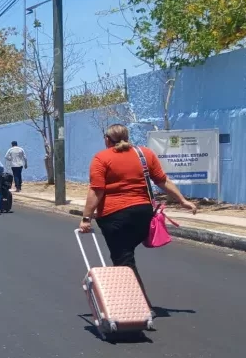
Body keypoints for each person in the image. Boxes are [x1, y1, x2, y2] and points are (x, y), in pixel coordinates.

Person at [78, 124, 197, 312]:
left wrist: (86, 218)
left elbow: (96, 190)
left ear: (107, 139)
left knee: (123, 259)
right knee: (126, 256)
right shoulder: (144, 154)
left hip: (114, 216)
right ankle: (135, 300)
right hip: (143, 214)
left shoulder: (101, 158)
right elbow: (162, 180)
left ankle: (139, 305)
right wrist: (182, 200)